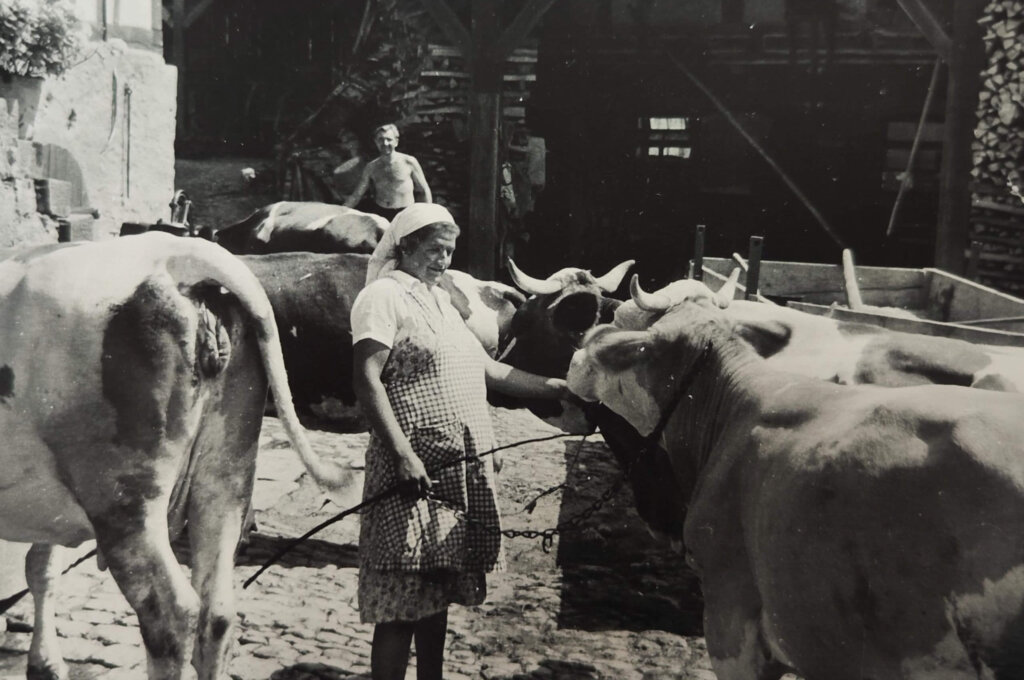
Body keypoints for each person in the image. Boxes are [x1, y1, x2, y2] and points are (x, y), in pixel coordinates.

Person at [351, 203, 567, 680]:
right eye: (433, 250)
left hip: (455, 466)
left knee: (437, 591)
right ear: (405, 246)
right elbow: (367, 380)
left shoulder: (442, 301)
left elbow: (489, 370)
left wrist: (555, 387)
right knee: (399, 601)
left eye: (449, 251)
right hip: (411, 467)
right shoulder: (383, 297)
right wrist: (403, 455)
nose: (443, 260)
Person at [345, 123, 433, 221]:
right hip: (382, 214)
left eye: (389, 139)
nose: (385, 143)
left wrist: (427, 215)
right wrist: (341, 210)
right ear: (376, 142)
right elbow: (357, 194)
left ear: (396, 141)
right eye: (380, 140)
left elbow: (424, 189)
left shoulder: (409, 161)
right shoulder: (371, 167)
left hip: (406, 212)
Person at [331, 129, 369, 204]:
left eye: (353, 139)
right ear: (343, 146)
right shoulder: (342, 168)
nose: (352, 143)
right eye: (347, 141)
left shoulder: (368, 159)